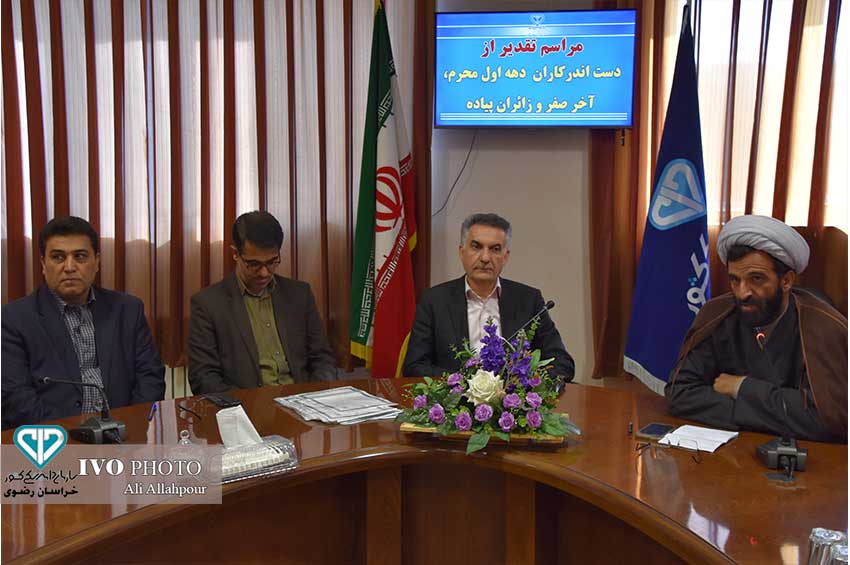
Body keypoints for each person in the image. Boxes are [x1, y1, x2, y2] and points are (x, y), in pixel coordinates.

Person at [666, 215, 847, 442]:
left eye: (757, 279)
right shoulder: (717, 315)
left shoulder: (824, 326)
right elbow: (680, 393)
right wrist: (778, 412)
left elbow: (830, 420)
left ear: (787, 281)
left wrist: (741, 388)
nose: (743, 293)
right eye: (735, 280)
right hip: (732, 451)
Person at [2, 217, 165, 429]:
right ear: (43, 264)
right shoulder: (13, 319)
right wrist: (73, 436)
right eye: (58, 257)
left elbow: (150, 378)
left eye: (80, 256)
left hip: (123, 434)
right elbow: (16, 399)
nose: (69, 267)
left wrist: (129, 427)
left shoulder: (127, 309)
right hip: (54, 439)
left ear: (96, 262)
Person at [403, 213, 575, 390]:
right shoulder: (434, 301)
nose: (485, 258)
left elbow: (561, 362)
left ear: (505, 256)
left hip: (513, 401)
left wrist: (525, 385)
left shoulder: (529, 300)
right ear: (462, 252)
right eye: (476, 247)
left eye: (495, 249)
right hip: (454, 400)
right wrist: (463, 383)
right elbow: (414, 367)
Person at [188, 211, 337, 393]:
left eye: (272, 262)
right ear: (235, 254)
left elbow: (322, 359)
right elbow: (203, 377)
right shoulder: (208, 304)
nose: (264, 273)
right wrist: (249, 404)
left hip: (303, 401)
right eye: (254, 264)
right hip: (245, 404)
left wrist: (319, 396)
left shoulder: (299, 294)